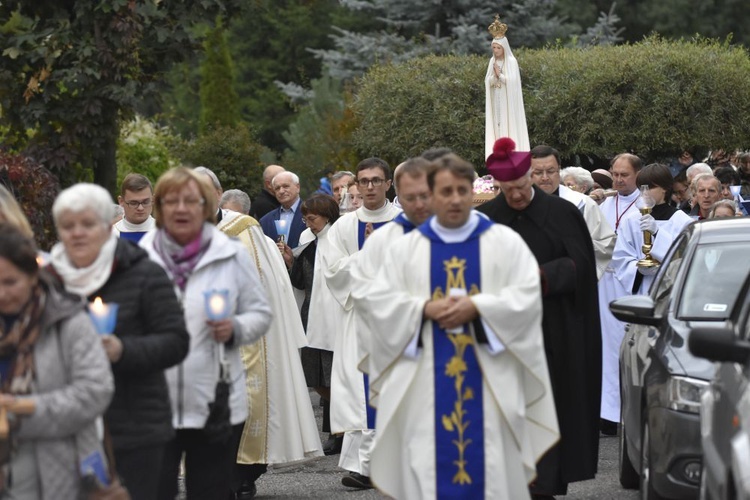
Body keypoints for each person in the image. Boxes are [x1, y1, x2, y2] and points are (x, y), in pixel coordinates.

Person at [364, 153, 559, 499]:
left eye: (461, 190)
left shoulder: (503, 243)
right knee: (425, 464)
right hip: (424, 381)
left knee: (493, 468)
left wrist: (479, 306)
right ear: (432, 195)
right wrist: (423, 307)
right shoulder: (406, 249)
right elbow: (379, 303)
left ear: (473, 192)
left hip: (490, 381)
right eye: (445, 191)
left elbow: (527, 298)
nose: (454, 199)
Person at [48, 183, 190, 500]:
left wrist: (123, 350)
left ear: (106, 225)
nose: (78, 233)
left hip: (136, 426)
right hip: (68, 426)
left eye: (87, 224)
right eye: (68, 226)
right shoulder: (49, 281)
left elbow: (176, 342)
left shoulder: (145, 273)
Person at [477, 138, 601, 498]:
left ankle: (544, 484)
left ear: (530, 178)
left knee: (551, 410)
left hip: (556, 331)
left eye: (521, 186)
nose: (516, 195)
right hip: (505, 336)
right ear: (498, 185)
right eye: (508, 189)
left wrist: (542, 277)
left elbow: (581, 267)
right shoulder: (487, 219)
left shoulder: (563, 214)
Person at [139, 167, 273, 500]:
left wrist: (235, 328)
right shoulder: (141, 258)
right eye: (172, 201)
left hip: (217, 398)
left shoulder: (230, 254)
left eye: (191, 200)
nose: (181, 208)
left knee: (211, 492)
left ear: (205, 206)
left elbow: (261, 313)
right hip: (156, 400)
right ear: (159, 207)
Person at [194, 167, 323, 499]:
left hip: (242, 334)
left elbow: (265, 283)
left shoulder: (243, 229)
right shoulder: (180, 230)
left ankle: (244, 475)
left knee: (248, 405)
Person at [0, 223, 114, 499]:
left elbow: (95, 391)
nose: (1, 294)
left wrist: (24, 410)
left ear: (32, 276)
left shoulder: (67, 321)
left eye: (10, 282)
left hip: (60, 469)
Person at [322, 157, 401, 489]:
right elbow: (333, 271)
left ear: (387, 184)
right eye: (364, 181)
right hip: (359, 318)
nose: (370, 186)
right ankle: (364, 466)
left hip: (397, 318)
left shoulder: (404, 221)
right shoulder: (343, 226)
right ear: (356, 185)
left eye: (376, 180)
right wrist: (366, 253)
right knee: (361, 391)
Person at [351, 157, 434, 383]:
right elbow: (363, 293)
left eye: (424, 196)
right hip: (402, 345)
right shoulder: (383, 240)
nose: (418, 204)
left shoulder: (467, 231)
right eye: (409, 197)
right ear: (398, 196)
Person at [290, 194, 342, 455]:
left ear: (327, 215)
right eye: (305, 219)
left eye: (312, 218)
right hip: (312, 315)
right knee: (315, 376)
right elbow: (300, 282)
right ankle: (343, 424)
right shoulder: (307, 240)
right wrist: (292, 261)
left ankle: (341, 431)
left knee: (336, 375)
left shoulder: (339, 237)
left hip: (336, 315)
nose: (308, 224)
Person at [596, 153, 643, 435]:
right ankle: (607, 414)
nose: (618, 179)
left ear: (637, 175)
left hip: (630, 285)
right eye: (615, 174)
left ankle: (630, 411)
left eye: (624, 175)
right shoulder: (603, 205)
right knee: (606, 348)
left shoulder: (645, 206)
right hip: (604, 286)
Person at [529, 145, 615, 280]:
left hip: (570, 283)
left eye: (551, 171)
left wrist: (574, 244)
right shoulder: (519, 204)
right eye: (539, 172)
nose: (545, 177)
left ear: (559, 170)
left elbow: (605, 242)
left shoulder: (582, 204)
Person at [611, 163, 692, 297]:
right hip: (641, 288)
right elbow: (620, 256)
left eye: (650, 188)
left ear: (665, 188)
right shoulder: (631, 220)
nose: (645, 193)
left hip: (670, 290)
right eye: (642, 188)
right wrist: (638, 269)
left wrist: (658, 234)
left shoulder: (682, 221)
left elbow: (685, 255)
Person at [484, 15, 529, 159]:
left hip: (508, 102)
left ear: (504, 47)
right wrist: (494, 77)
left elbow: (514, 82)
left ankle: (512, 155)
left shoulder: (511, 61)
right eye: (494, 47)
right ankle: (499, 155)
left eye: (498, 48)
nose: (495, 50)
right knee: (497, 126)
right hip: (496, 99)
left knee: (507, 125)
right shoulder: (492, 61)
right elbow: (487, 81)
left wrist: (500, 76)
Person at [259, 171, 306, 249]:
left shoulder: (312, 214)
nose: (281, 191)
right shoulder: (265, 221)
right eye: (277, 188)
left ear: (298, 187)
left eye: (286, 186)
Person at [113, 173, 156, 243]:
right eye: (134, 203)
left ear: (153, 199)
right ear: (121, 201)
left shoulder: (165, 234)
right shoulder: (110, 235)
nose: (140, 208)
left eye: (145, 202)